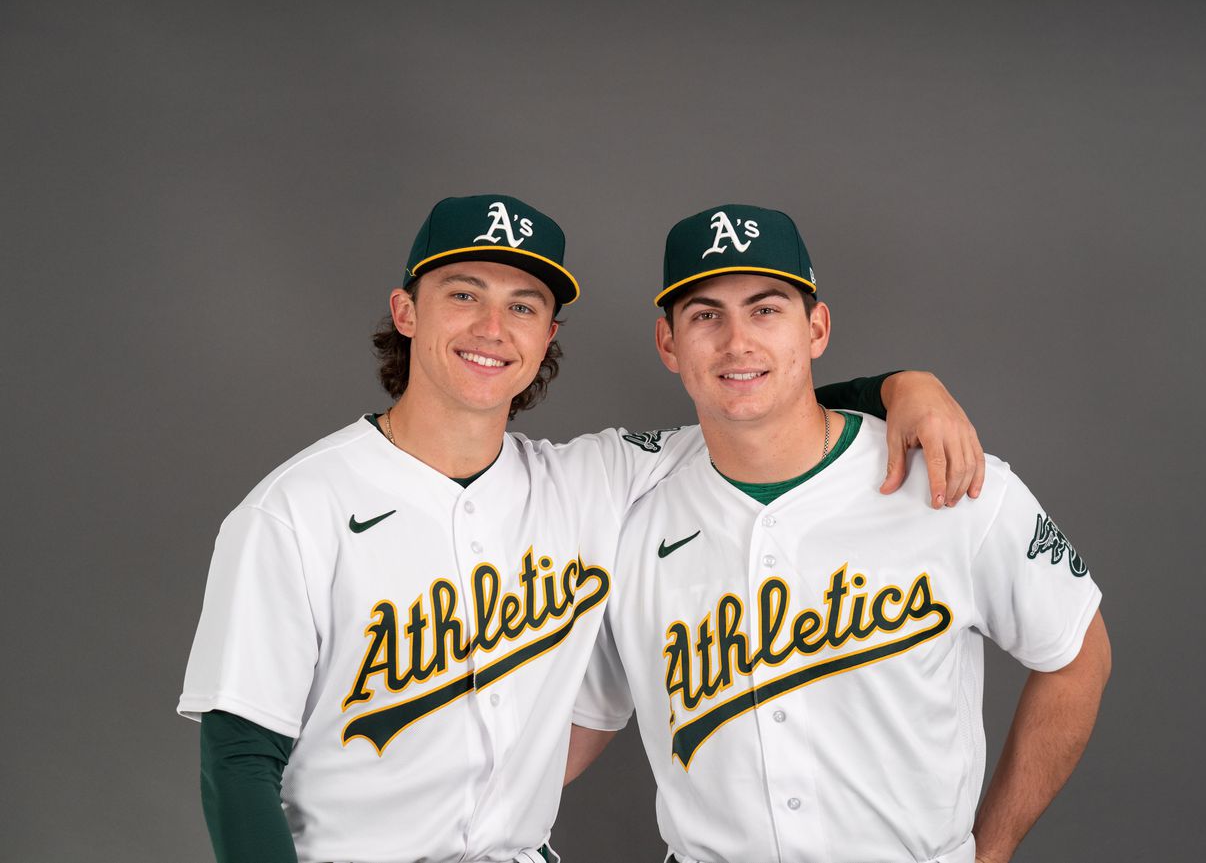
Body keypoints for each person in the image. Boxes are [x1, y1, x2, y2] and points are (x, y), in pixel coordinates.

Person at [178, 194, 986, 863]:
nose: (493, 327)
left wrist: (899, 387)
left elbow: (757, 402)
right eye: (464, 292)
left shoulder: (594, 479)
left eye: (523, 304)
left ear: (547, 337)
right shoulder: (294, 508)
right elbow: (238, 759)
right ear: (407, 311)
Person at [567, 203, 1112, 863]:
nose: (737, 341)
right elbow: (585, 716)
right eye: (706, 314)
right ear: (668, 343)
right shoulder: (629, 510)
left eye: (766, 309)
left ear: (816, 328)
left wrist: (990, 852)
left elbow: (1078, 654)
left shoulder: (951, 477)